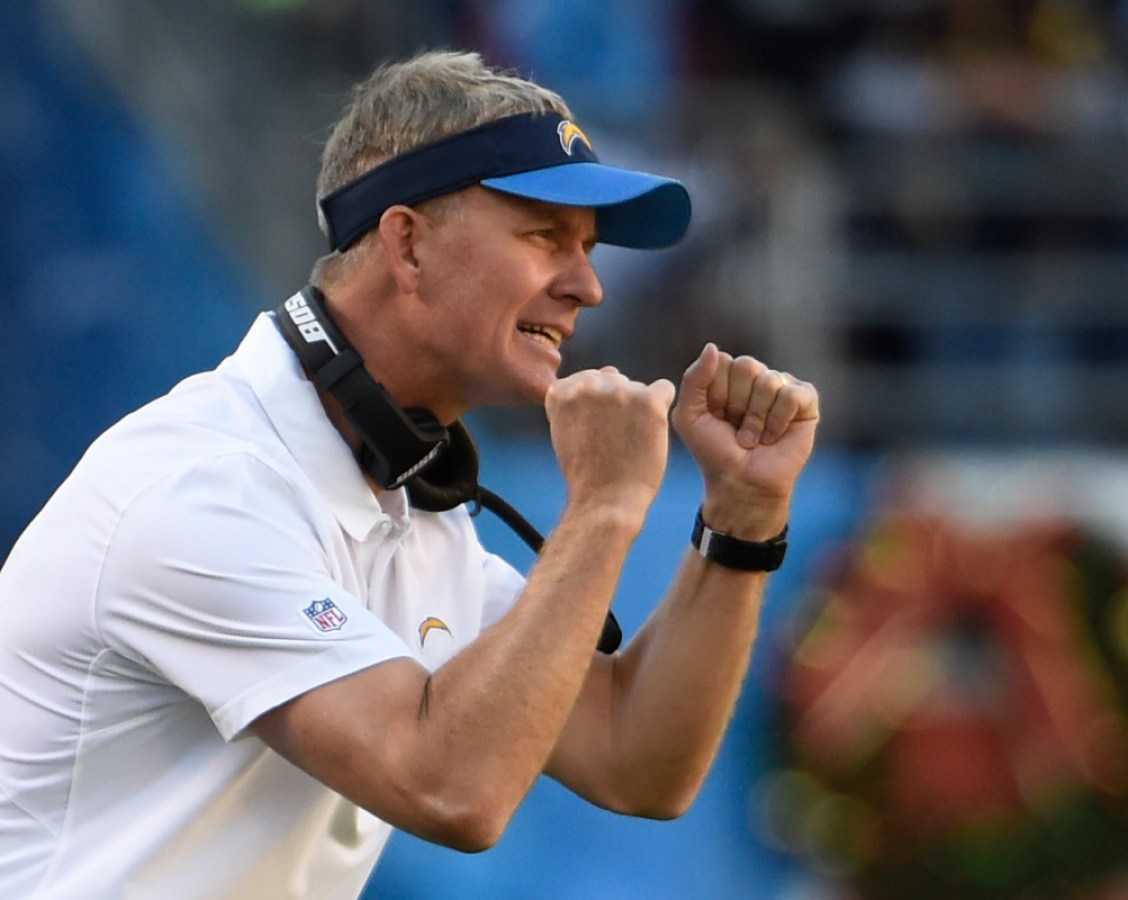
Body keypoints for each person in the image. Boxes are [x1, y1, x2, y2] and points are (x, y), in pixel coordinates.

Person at [0, 50, 819, 898]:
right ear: (408, 243)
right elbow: (450, 790)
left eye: (587, 247)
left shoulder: (409, 502)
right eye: (545, 236)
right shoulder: (203, 487)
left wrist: (744, 515)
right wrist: (604, 508)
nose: (588, 286)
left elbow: (634, 759)